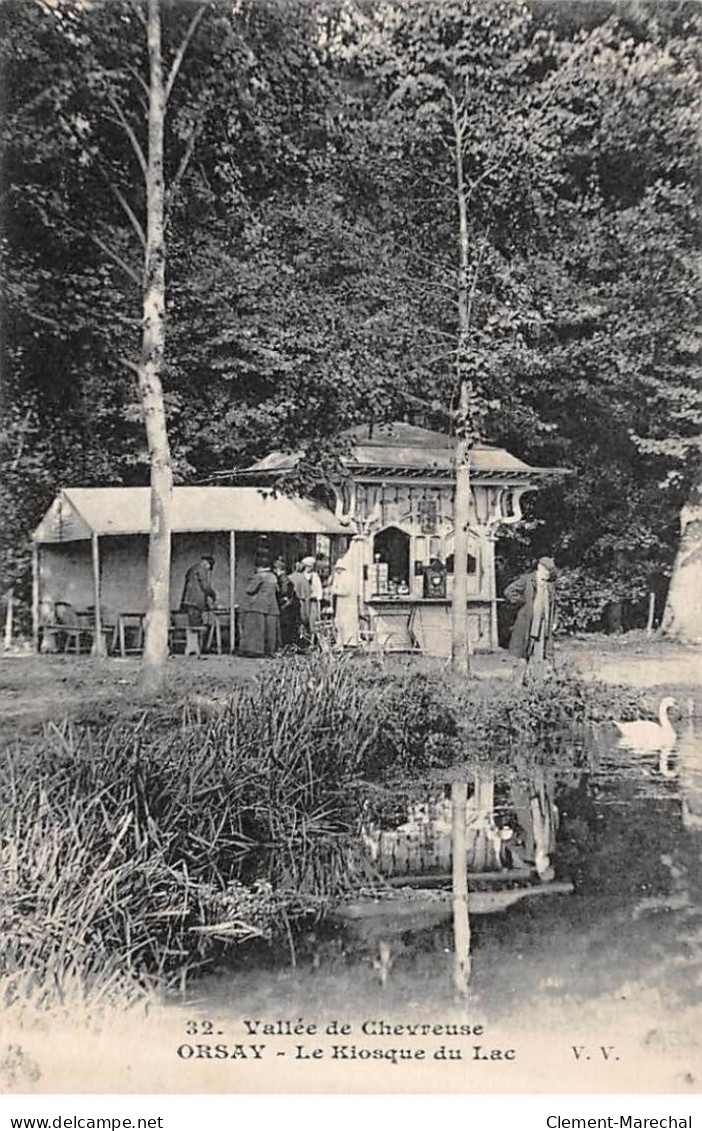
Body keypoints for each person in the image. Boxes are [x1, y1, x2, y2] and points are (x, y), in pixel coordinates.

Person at [504, 555, 557, 671]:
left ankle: (538, 680)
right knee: (523, 653)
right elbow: (509, 591)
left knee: (542, 653)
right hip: (528, 622)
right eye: (546, 571)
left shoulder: (550, 585)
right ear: (540, 567)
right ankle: (519, 682)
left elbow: (554, 605)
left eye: (550, 572)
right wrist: (523, 602)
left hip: (544, 623)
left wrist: (554, 621)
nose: (548, 574)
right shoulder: (527, 580)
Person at [238, 551, 281, 657]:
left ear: (259, 566)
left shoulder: (259, 576)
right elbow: (278, 590)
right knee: (270, 631)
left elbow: (250, 590)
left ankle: (255, 651)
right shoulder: (273, 576)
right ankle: (270, 651)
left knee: (256, 630)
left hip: (258, 605)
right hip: (272, 606)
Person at [330, 539, 362, 647]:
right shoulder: (343, 577)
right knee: (341, 623)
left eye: (339, 569)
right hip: (343, 605)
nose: (338, 572)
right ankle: (342, 641)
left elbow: (345, 591)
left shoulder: (347, 578)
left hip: (347, 605)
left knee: (348, 624)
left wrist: (334, 590)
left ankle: (349, 641)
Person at [180, 555, 216, 626]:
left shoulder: (193, 569)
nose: (208, 570)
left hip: (188, 601)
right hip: (195, 603)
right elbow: (205, 587)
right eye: (209, 567)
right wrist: (213, 594)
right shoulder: (201, 569)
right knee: (196, 625)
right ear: (206, 563)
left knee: (190, 624)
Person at [274, 558, 300, 649]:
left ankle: (287, 646)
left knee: (286, 626)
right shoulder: (285, 578)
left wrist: (279, 594)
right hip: (291, 604)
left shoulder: (283, 578)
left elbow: (284, 591)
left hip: (288, 605)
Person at [301, 556, 323, 639]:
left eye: (310, 566)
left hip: (312, 601)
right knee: (303, 619)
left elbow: (318, 589)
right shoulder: (301, 575)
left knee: (313, 621)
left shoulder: (315, 576)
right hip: (304, 601)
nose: (308, 568)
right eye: (306, 566)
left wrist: (318, 599)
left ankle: (313, 640)